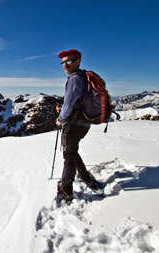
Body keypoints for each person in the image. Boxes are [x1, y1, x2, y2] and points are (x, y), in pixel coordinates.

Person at [55, 49, 98, 203]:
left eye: (69, 61)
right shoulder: (84, 77)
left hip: (73, 124)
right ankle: (84, 176)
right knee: (72, 151)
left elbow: (69, 103)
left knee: (68, 156)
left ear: (78, 61)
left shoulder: (75, 78)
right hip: (84, 123)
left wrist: (61, 118)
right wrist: (65, 109)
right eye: (63, 62)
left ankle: (66, 189)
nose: (65, 65)